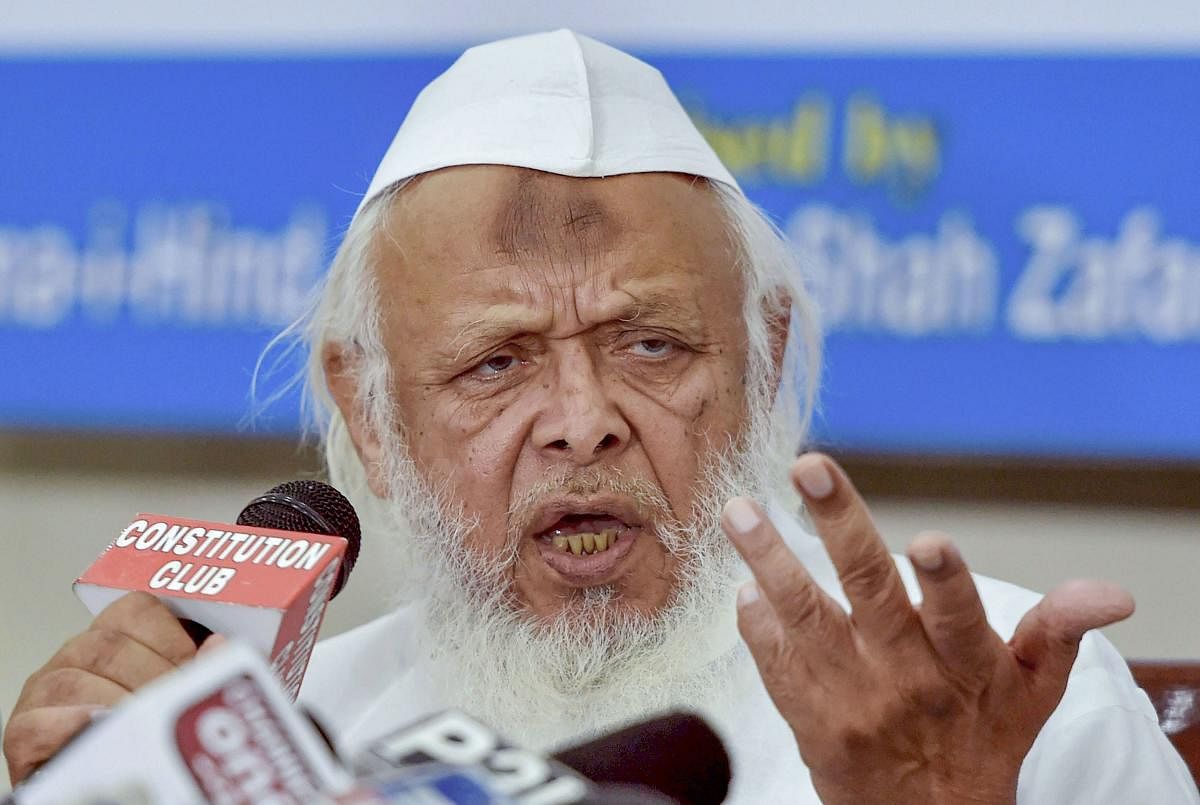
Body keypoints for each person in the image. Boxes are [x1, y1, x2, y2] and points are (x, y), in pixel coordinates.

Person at [4, 30, 1195, 803]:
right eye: (496, 364)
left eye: (651, 345)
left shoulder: (984, 692)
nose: (583, 422)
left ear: (765, 361)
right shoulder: (268, 744)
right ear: (372, 419)